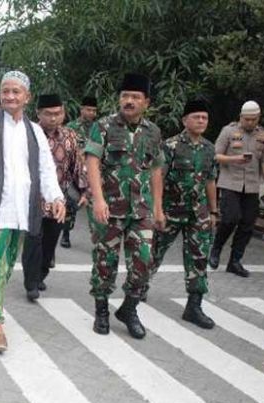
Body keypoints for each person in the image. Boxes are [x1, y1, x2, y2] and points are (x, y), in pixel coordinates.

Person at [0, 71, 65, 353]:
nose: (9, 96)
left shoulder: (34, 131)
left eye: (16, 92)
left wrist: (56, 197)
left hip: (22, 210)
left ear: (26, 97)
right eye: (5, 91)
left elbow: (45, 168)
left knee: (4, 268)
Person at [85, 73, 165, 339]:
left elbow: (156, 170)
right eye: (125, 96)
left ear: (146, 102)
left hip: (141, 210)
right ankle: (102, 311)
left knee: (144, 262)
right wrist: (97, 199)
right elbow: (92, 162)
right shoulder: (104, 126)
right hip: (110, 208)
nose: (129, 101)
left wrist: (158, 208)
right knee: (105, 263)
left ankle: (129, 308)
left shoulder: (153, 132)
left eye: (135, 97)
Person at [148, 98, 218, 329]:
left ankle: (194, 306)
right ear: (184, 120)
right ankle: (138, 289)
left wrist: (213, 211)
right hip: (170, 211)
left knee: (199, 257)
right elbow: (157, 177)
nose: (201, 121)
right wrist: (156, 209)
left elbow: (210, 180)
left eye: (204, 117)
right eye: (196, 117)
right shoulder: (171, 146)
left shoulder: (209, 148)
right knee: (154, 252)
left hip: (198, 214)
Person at [21, 94, 86, 300]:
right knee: (33, 241)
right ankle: (30, 282)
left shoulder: (70, 137)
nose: (53, 118)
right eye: (48, 114)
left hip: (59, 202)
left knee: (50, 243)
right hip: (31, 200)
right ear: (38, 113)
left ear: (64, 113)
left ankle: (41, 275)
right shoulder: (27, 133)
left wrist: (84, 191)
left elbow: (78, 165)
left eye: (57, 113)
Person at [209, 100, 264, 277]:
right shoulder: (228, 131)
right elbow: (215, 155)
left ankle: (235, 261)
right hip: (230, 182)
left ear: (258, 118)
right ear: (241, 117)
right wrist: (234, 160)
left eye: (254, 119)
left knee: (247, 225)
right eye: (247, 119)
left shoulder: (263, 136)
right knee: (230, 219)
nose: (250, 122)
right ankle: (215, 249)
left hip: (251, 186)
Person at [62, 96, 98, 248]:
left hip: (94, 173)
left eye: (94, 111)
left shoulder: (99, 128)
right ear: (81, 109)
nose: (91, 113)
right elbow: (66, 149)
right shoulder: (71, 127)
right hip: (75, 173)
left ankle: (97, 237)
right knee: (71, 205)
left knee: (95, 204)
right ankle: (65, 234)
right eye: (88, 109)